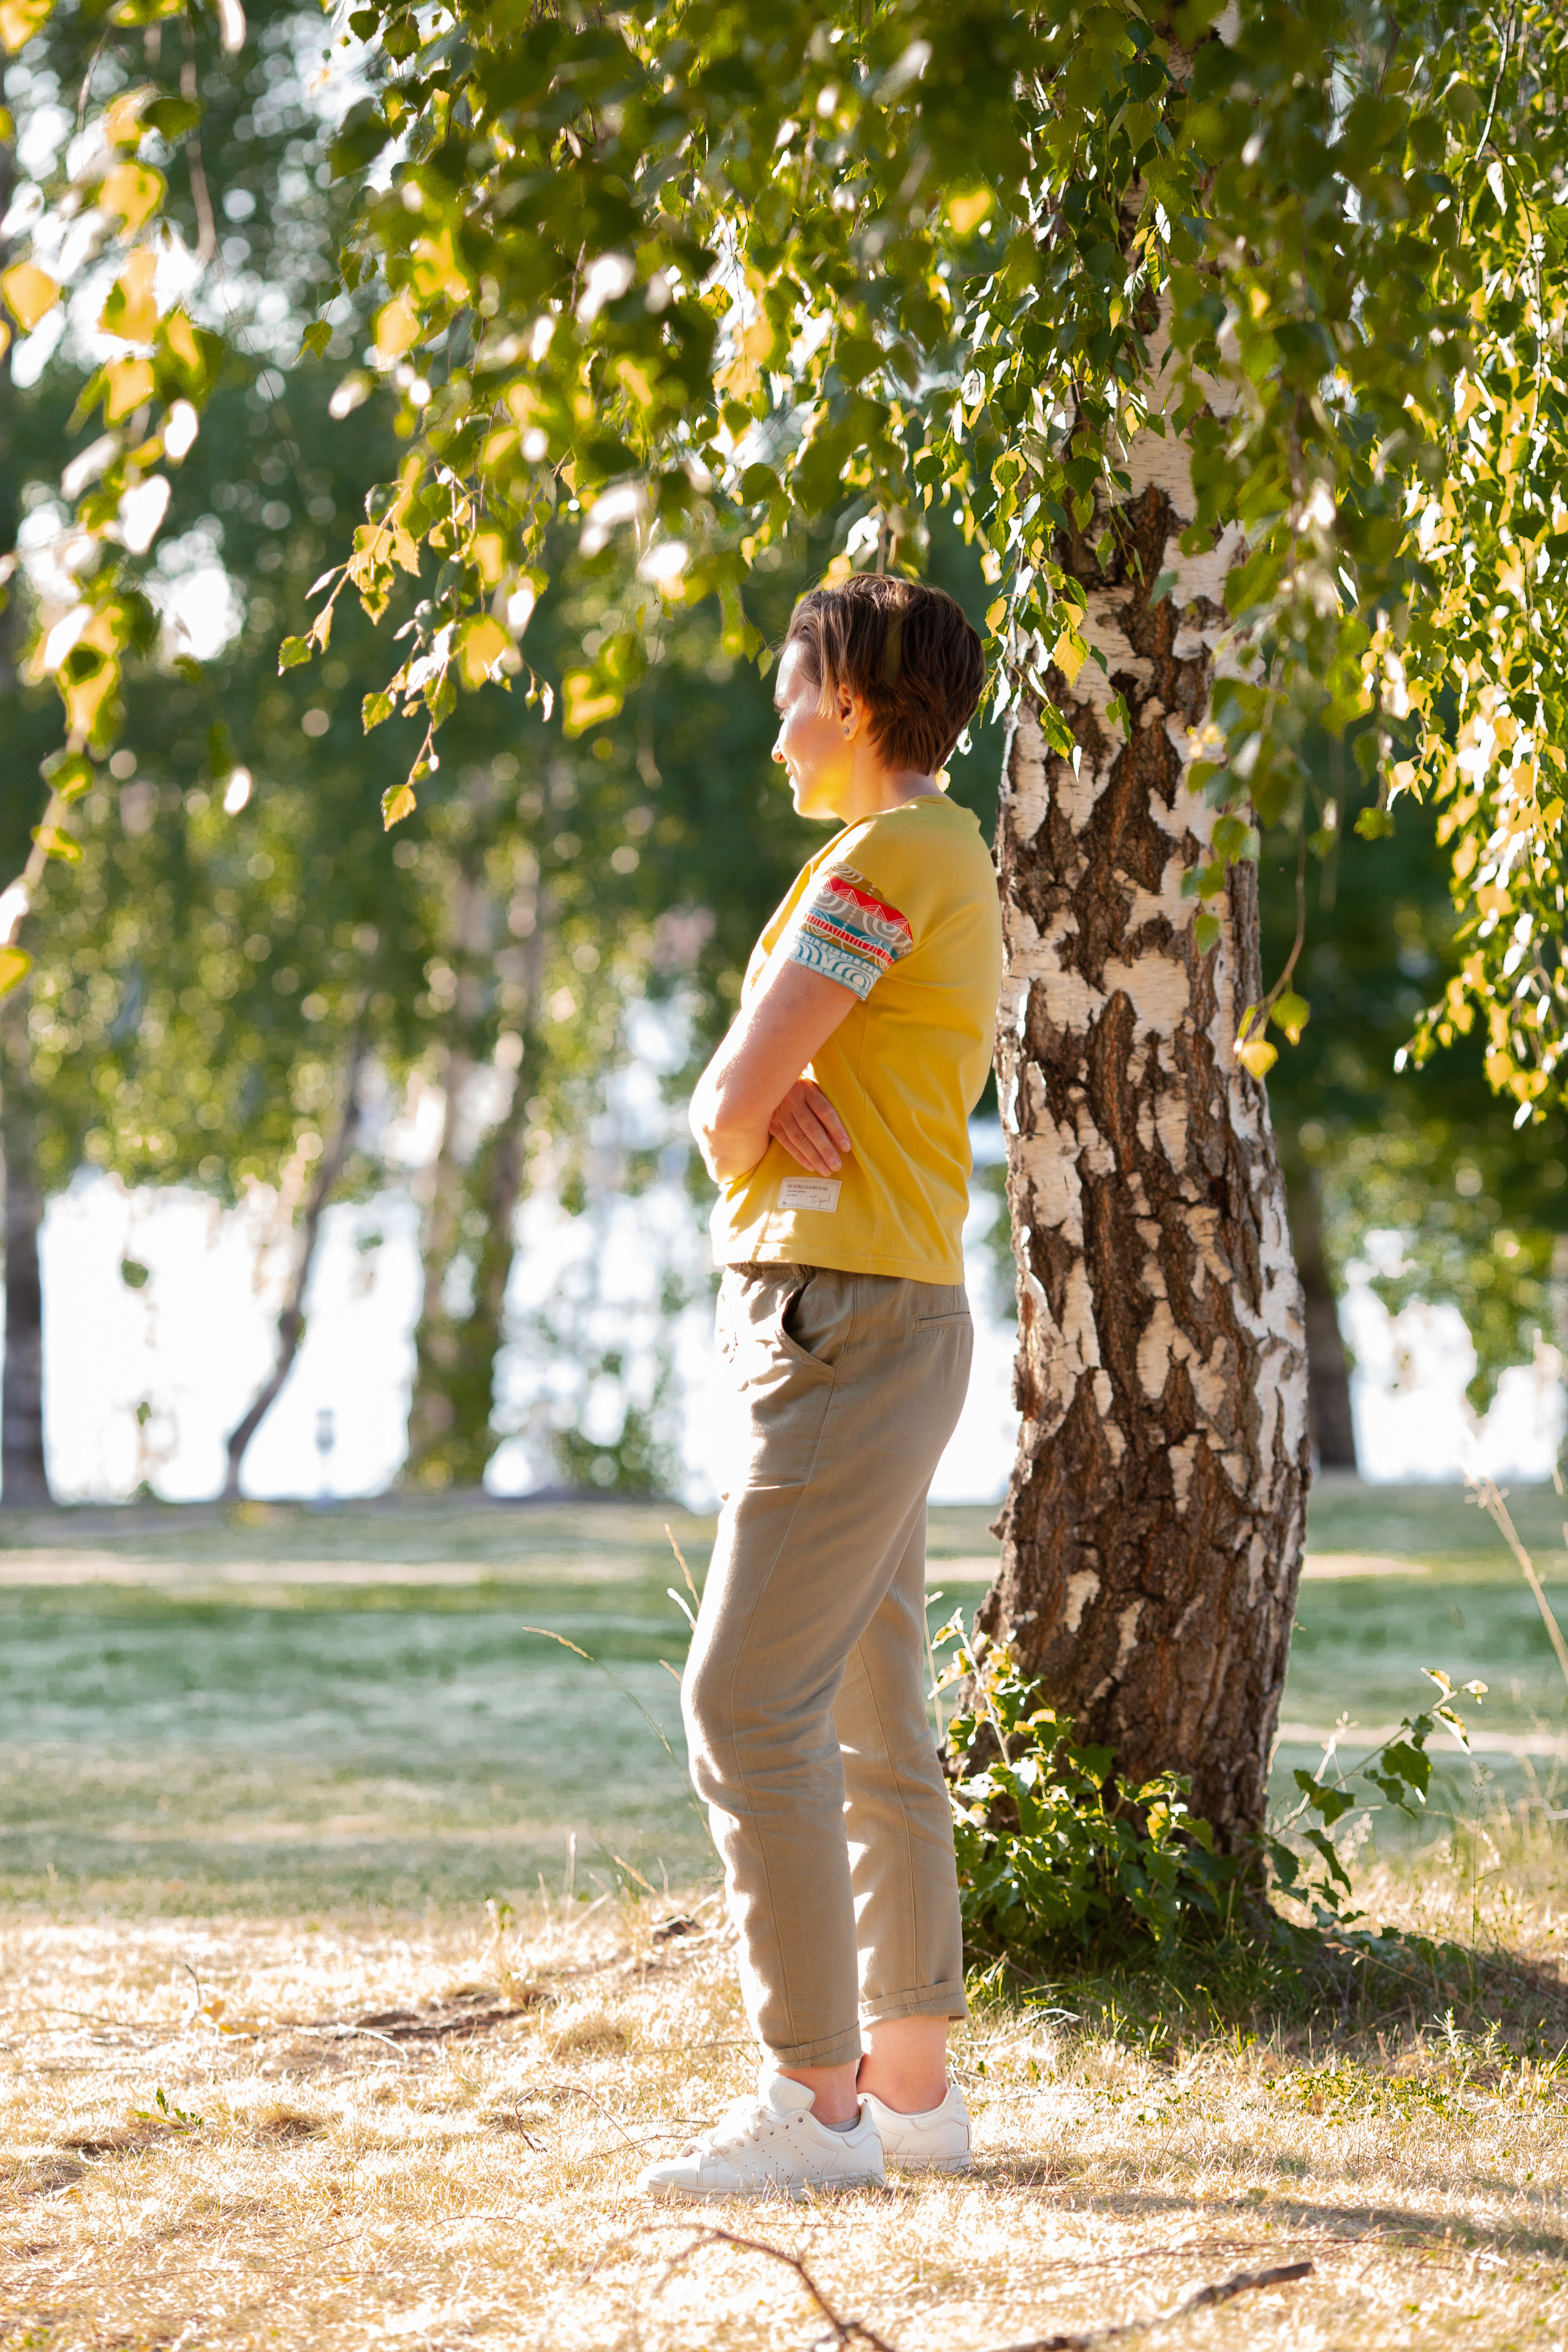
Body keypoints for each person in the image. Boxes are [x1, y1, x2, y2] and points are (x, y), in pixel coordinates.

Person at [638, 571, 1003, 2201]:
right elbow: (765, 1088)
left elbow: (725, 1100)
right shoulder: (905, 860)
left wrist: (753, 1097)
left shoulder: (892, 855)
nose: (774, 725)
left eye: (792, 691)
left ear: (852, 702)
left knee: (742, 1703)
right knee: (866, 1711)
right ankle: (913, 2102)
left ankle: (817, 2106)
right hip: (871, 1312)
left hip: (841, 1324)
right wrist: (770, 1093)